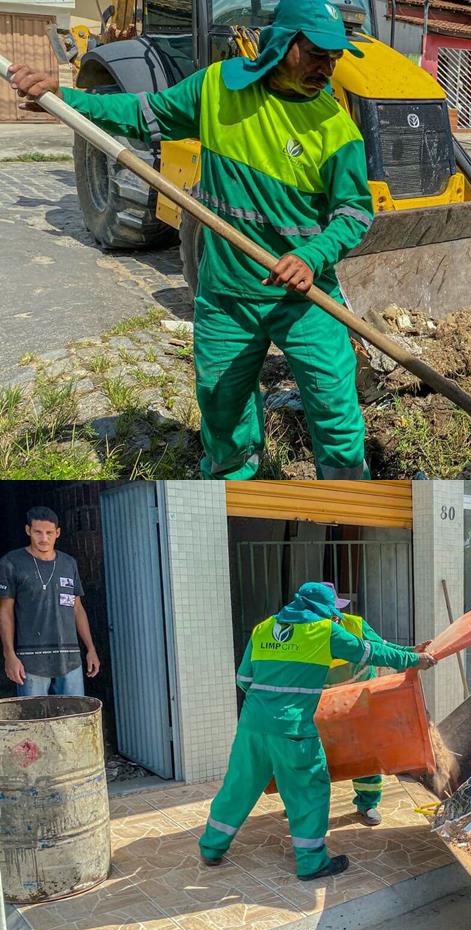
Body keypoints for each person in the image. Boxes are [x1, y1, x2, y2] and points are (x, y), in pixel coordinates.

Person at [6, 0, 375, 480]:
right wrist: (67, 99)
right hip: (227, 294)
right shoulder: (219, 88)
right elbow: (144, 114)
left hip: (304, 295)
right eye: (317, 54)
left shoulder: (336, 130)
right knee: (222, 406)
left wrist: (311, 255)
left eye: (335, 58)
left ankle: (348, 500)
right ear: (283, 45)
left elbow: (354, 212)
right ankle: (234, 485)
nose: (327, 68)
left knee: (334, 406)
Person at [198, 582, 435, 880]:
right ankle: (311, 862)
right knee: (308, 789)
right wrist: (414, 660)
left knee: (239, 785)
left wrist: (271, 699)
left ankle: (211, 847)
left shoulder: (263, 628)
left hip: (252, 724)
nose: (335, 615)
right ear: (324, 609)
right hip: (293, 727)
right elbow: (371, 653)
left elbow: (244, 678)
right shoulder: (325, 631)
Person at [320, 582, 418, 827]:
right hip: (325, 706)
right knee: (319, 756)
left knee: (365, 751)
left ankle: (367, 803)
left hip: (361, 700)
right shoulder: (307, 634)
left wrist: (410, 654)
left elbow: (381, 648)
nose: (334, 615)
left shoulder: (354, 624)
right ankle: (304, 804)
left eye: (336, 610)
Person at [0, 506, 100, 696]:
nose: (44, 538)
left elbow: (77, 608)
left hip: (69, 659)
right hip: (31, 661)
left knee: (74, 718)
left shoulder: (68, 563)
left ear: (58, 533)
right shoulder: (11, 563)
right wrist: (9, 655)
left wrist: (91, 649)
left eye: (49, 533)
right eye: (38, 532)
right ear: (28, 530)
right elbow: (5, 612)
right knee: (35, 721)